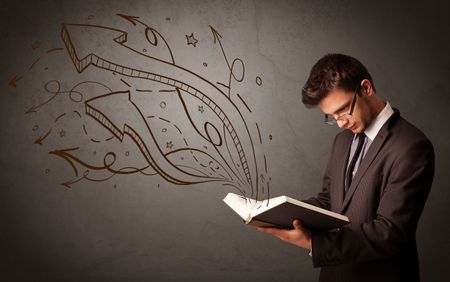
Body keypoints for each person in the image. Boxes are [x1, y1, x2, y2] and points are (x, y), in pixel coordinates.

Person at [257, 54, 435, 282]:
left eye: (343, 110)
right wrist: (278, 213)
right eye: (330, 116)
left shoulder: (411, 146)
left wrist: (314, 243)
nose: (340, 122)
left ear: (366, 88)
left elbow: (390, 232)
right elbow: (328, 202)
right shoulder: (342, 141)